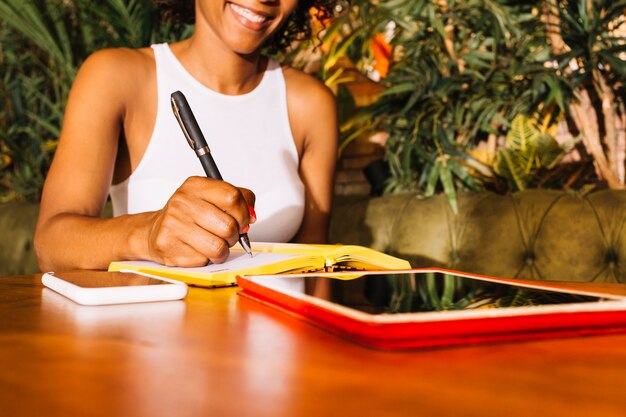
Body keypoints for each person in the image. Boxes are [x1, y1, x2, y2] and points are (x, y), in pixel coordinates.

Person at [34, 0, 339, 272]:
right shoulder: (116, 76)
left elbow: (314, 272)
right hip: (148, 333)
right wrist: (148, 233)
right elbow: (50, 245)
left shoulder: (310, 105)